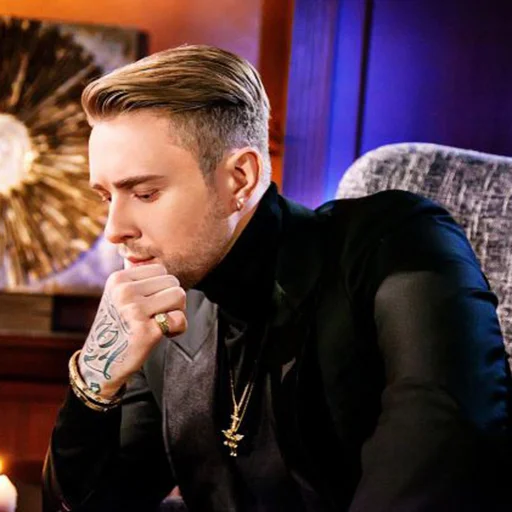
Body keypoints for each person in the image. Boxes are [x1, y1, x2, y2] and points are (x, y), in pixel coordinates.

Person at [42, 45, 511, 512]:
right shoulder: (165, 311)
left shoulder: (399, 241)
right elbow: (87, 504)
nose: (113, 229)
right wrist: (95, 379)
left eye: (144, 193)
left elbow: (443, 455)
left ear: (239, 178)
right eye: (107, 197)